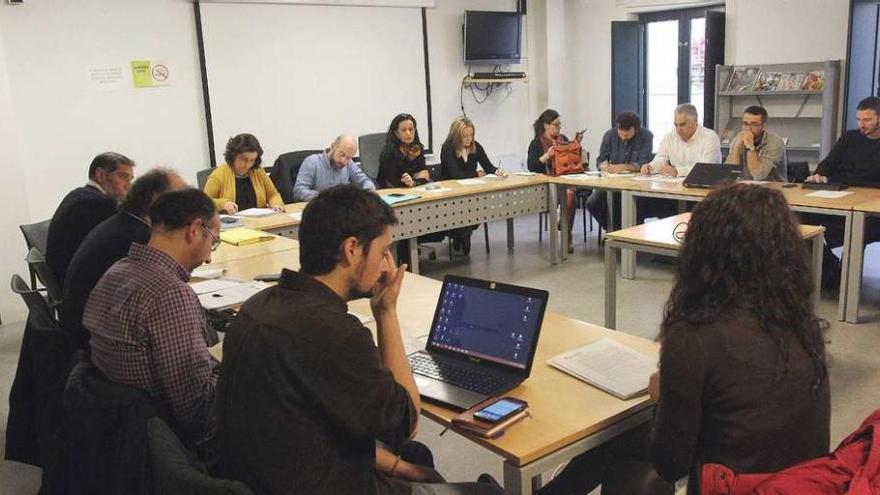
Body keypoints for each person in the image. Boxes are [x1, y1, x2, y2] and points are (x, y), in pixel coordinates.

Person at [216, 185, 502, 495]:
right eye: (382, 253)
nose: (385, 266)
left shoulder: (257, 307)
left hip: (274, 475)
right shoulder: (334, 333)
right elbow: (405, 423)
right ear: (352, 249)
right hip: (332, 484)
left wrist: (400, 467)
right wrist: (386, 313)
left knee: (417, 459)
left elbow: (315, 424)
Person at [650, 183, 830, 493]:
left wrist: (661, 398)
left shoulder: (695, 334)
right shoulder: (802, 324)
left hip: (734, 488)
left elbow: (670, 464)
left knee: (626, 458)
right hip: (802, 486)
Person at [83, 189, 221, 455]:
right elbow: (198, 412)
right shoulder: (170, 294)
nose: (209, 258)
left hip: (120, 431)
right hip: (169, 442)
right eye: (213, 242)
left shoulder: (116, 270)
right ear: (194, 230)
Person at [61, 168, 186, 353]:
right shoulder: (140, 238)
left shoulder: (122, 222)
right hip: (96, 344)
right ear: (157, 202)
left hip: (83, 329)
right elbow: (165, 293)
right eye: (181, 199)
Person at [803, 96, 880, 289]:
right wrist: (818, 175)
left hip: (870, 208)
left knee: (860, 227)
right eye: (859, 119)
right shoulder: (849, 138)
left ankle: (846, 283)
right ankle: (829, 269)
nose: (861, 125)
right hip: (840, 196)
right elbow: (828, 164)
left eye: (867, 120)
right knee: (798, 218)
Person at [46, 151, 135, 285]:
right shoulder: (100, 204)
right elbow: (120, 246)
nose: (129, 185)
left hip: (61, 278)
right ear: (100, 174)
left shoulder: (78, 194)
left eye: (130, 179)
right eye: (123, 177)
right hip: (76, 286)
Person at [439, 117, 508, 254]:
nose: (469, 139)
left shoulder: (475, 146)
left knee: (482, 206)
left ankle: (464, 232)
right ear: (456, 136)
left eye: (471, 135)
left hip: (471, 192)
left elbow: (488, 167)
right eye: (465, 136)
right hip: (452, 194)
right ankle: (461, 233)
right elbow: (456, 175)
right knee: (463, 209)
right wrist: (476, 174)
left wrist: (497, 171)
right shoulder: (447, 148)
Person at [586, 112, 654, 231]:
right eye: (620, 134)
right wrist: (604, 166)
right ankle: (613, 231)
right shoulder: (609, 135)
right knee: (593, 203)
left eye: (627, 135)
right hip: (612, 182)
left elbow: (644, 162)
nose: (623, 138)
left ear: (636, 129)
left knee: (634, 204)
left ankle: (629, 234)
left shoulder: (646, 136)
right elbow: (601, 159)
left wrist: (623, 167)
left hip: (636, 184)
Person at [527, 109, 582, 253]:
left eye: (559, 125)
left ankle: (565, 231)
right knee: (569, 194)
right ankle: (566, 233)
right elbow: (532, 167)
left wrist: (575, 146)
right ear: (546, 125)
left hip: (563, 180)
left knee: (570, 192)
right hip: (545, 183)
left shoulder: (562, 138)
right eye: (555, 125)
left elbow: (570, 161)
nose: (558, 128)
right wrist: (547, 155)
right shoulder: (536, 143)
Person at [204, 133, 284, 213]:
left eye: (252, 160)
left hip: (259, 222)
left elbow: (273, 195)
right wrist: (223, 204)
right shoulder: (219, 174)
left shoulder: (258, 172)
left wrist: (276, 204)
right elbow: (204, 202)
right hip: (232, 223)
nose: (248, 164)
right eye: (244, 159)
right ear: (233, 156)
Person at [642, 103, 722, 177]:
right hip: (676, 186)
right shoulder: (670, 137)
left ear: (696, 121)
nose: (678, 129)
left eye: (683, 125)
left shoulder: (710, 137)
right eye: (676, 125)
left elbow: (707, 168)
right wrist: (651, 167)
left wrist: (677, 171)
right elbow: (661, 158)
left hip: (705, 186)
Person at [293, 134, 376, 201]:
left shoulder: (349, 164)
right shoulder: (312, 162)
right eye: (342, 155)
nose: (344, 161)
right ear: (333, 147)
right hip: (318, 211)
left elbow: (365, 181)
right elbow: (299, 191)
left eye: (348, 157)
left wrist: (369, 192)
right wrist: (327, 197)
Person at [724, 105, 786, 181]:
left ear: (764, 126)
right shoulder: (738, 139)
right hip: (744, 188)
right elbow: (729, 174)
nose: (748, 128)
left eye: (754, 124)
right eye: (745, 124)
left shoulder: (775, 143)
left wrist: (750, 147)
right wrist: (736, 148)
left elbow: (759, 176)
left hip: (772, 189)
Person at [377, 113, 431, 188]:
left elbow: (425, 175)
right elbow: (393, 180)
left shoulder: (417, 148)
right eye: (404, 130)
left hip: (414, 189)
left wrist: (414, 182)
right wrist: (413, 179)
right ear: (396, 133)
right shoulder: (388, 152)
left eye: (411, 129)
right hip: (391, 192)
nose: (408, 133)